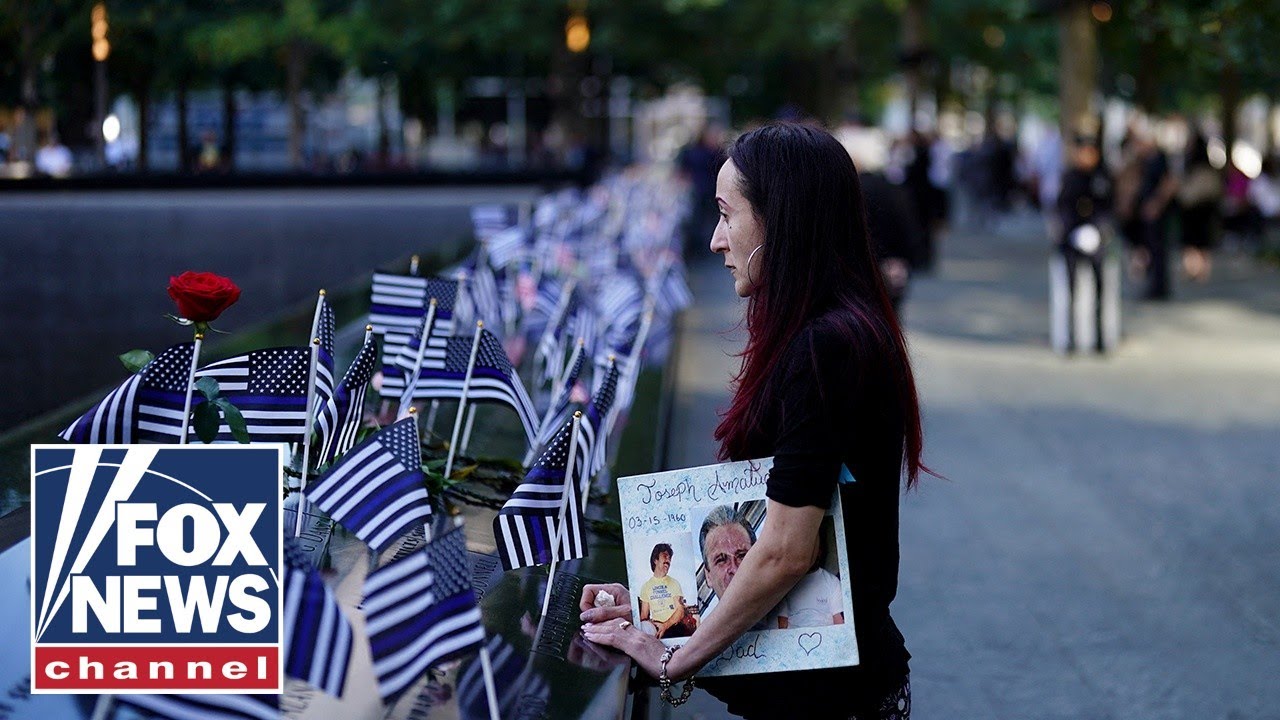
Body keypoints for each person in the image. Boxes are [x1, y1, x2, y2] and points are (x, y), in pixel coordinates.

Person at [580, 122, 927, 719]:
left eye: (726, 214)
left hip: (831, 699)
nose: (716, 240)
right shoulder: (838, 329)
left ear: (781, 221)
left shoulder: (827, 345)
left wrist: (672, 660)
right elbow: (759, 531)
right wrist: (645, 607)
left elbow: (787, 549)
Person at [1054, 133, 1114, 353]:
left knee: (1100, 289)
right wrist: (1072, 232)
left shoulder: (1102, 177)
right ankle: (1069, 338)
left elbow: (1107, 208)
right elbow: (1062, 207)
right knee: (1071, 290)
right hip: (1072, 238)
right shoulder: (1070, 177)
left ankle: (1099, 339)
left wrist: (1097, 231)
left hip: (1096, 238)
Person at [1176, 132, 1222, 282]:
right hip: (1204, 212)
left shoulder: (1193, 168)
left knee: (1193, 243)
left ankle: (1194, 271)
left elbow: (1186, 194)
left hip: (1194, 211)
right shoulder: (1208, 169)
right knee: (1201, 243)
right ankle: (1201, 273)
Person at [637, 543, 691, 639]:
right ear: (655, 560)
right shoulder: (646, 587)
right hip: (656, 629)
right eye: (665, 556)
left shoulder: (674, 583)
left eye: (669, 558)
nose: (668, 560)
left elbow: (680, 610)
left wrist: (665, 625)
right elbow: (644, 616)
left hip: (674, 628)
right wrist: (650, 623)